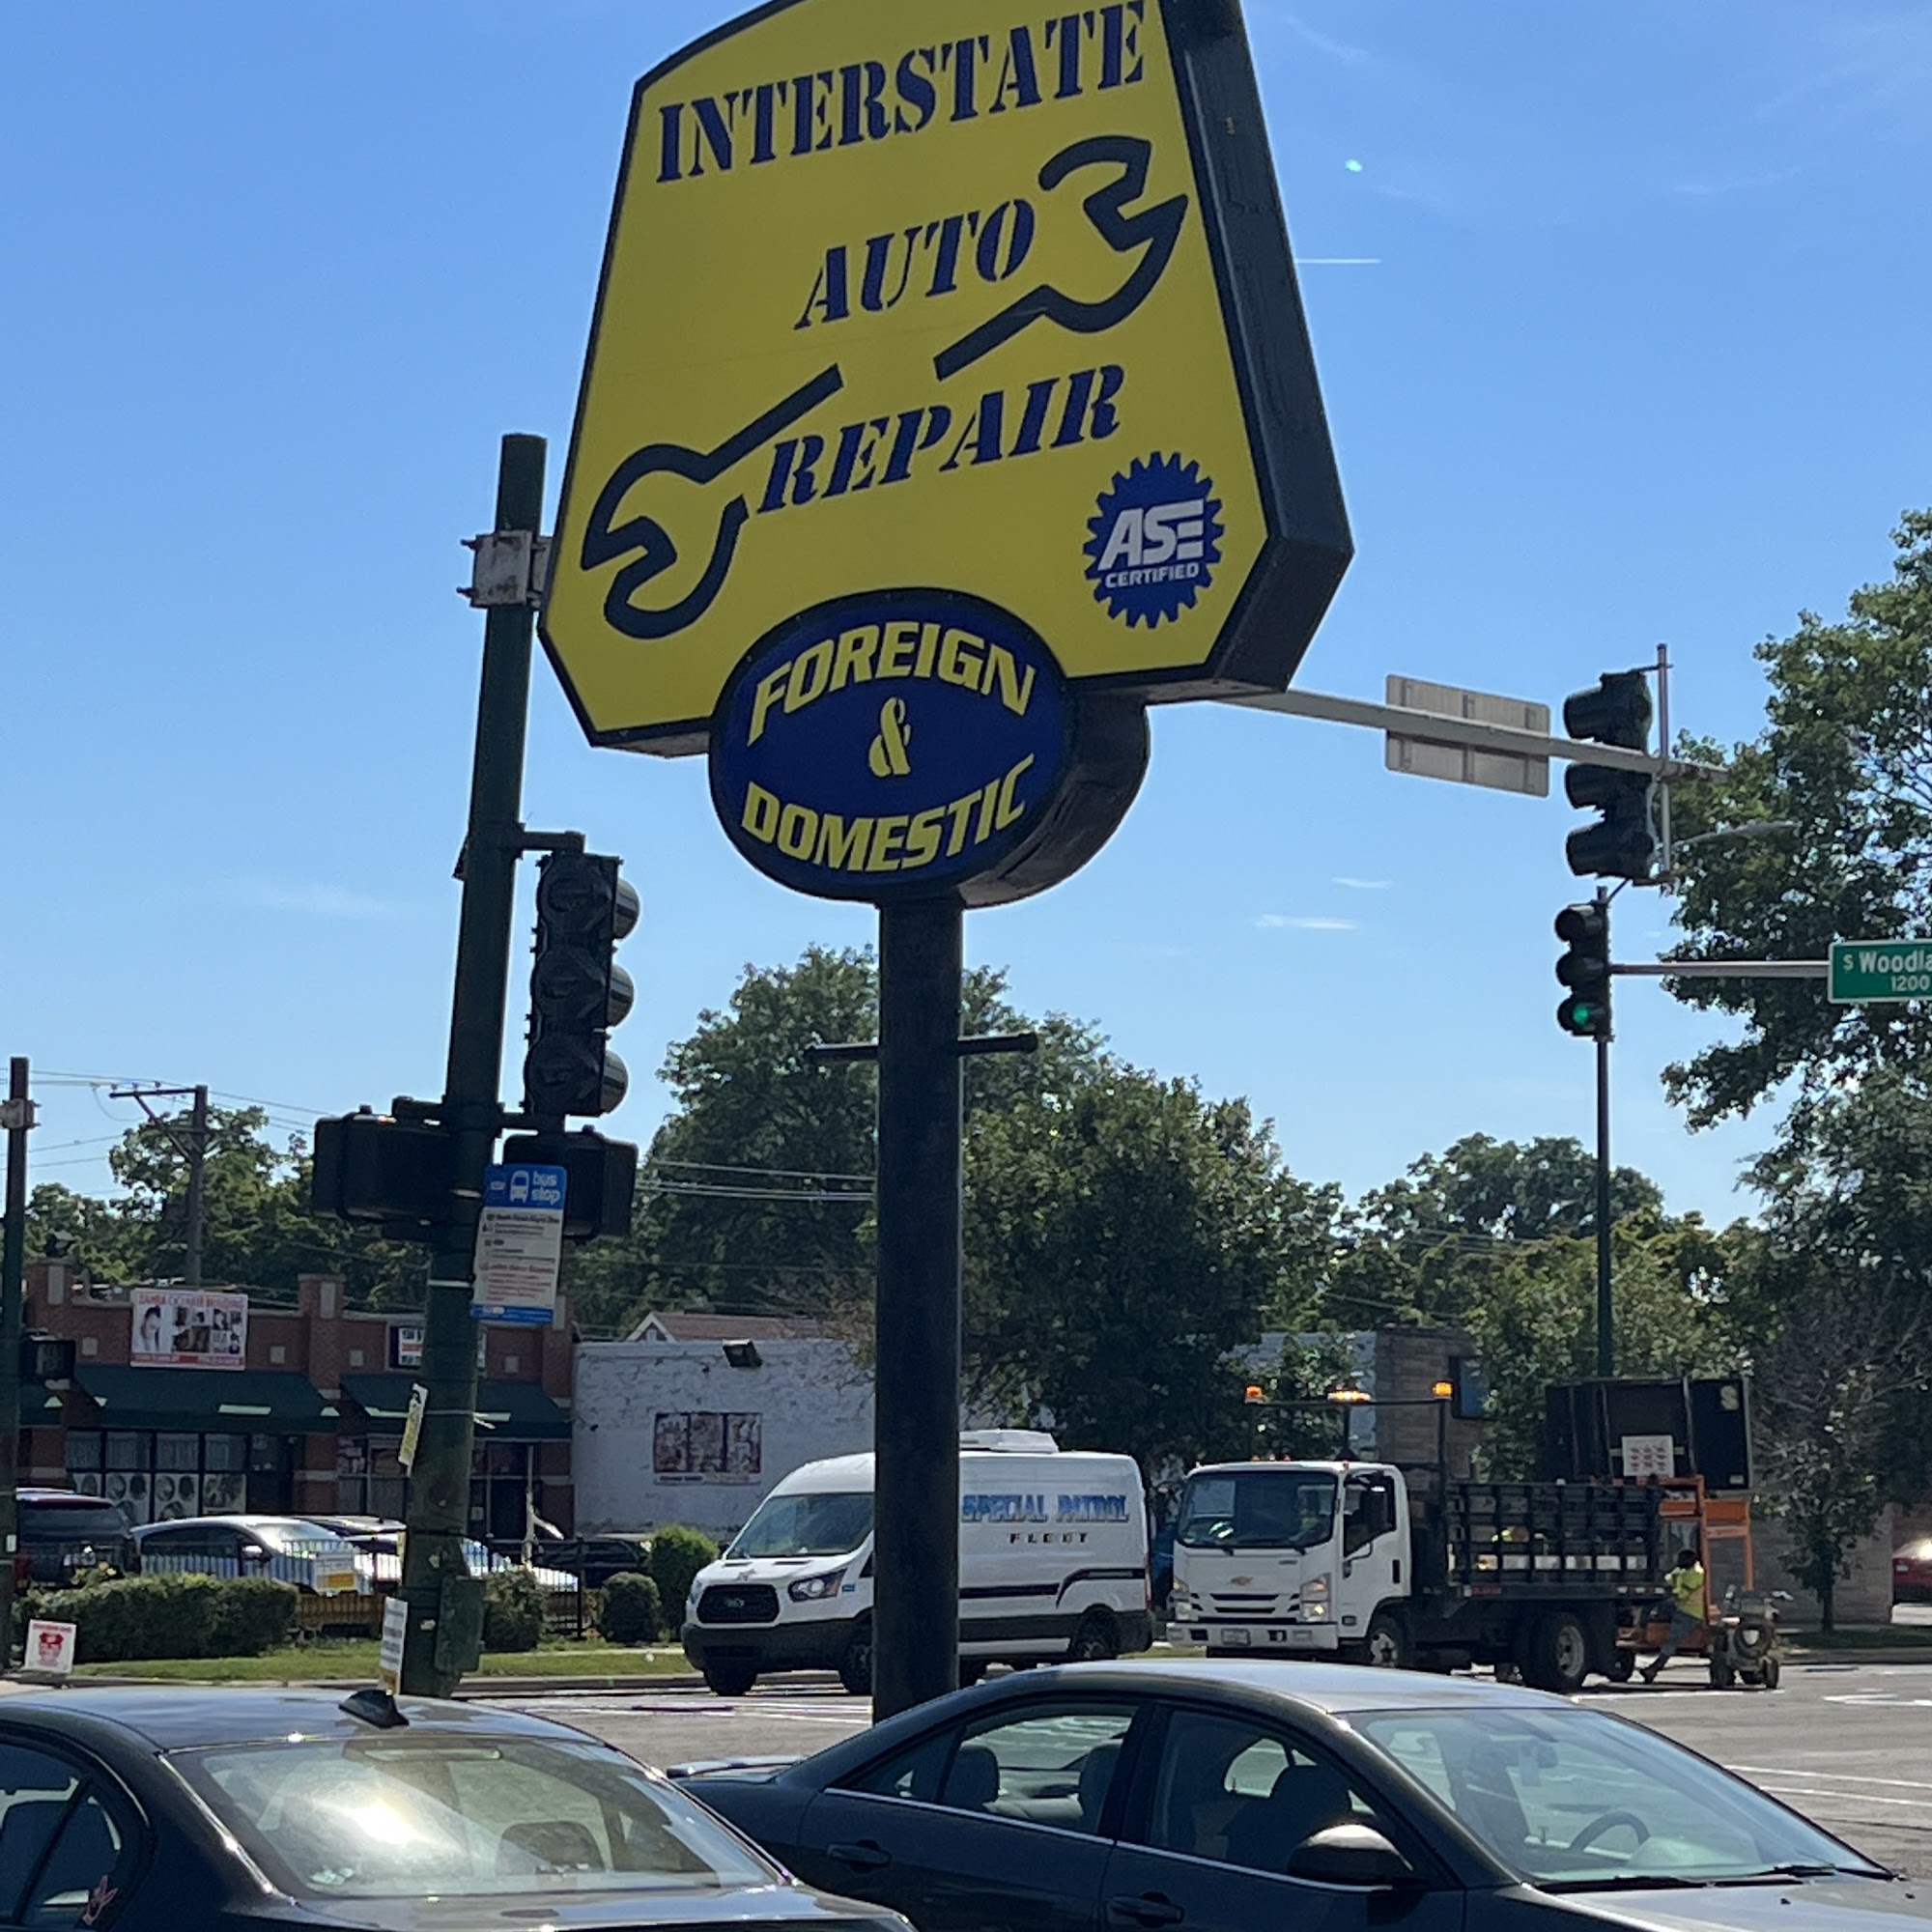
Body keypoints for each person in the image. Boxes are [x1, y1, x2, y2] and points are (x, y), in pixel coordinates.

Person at [1641, 1548, 1707, 1683]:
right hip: (1681, 1607)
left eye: (1681, 1559)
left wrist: (1672, 1588)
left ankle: (1656, 1667)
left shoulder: (1697, 1574)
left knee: (1672, 1640)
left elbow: (1681, 1594)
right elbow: (1669, 1578)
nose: (1678, 1561)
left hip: (1691, 1613)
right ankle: (1643, 1629)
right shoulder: (1683, 1571)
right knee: (1654, 1606)